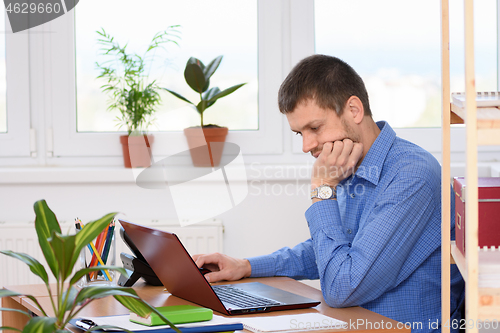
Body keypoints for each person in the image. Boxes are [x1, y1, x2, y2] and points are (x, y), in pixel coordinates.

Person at [193, 54, 465, 332]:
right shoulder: (350, 163)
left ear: (354, 110)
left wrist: (322, 190)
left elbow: (342, 287)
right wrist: (246, 266)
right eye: (300, 133)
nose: (307, 145)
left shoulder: (411, 175)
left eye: (315, 128)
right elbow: (334, 250)